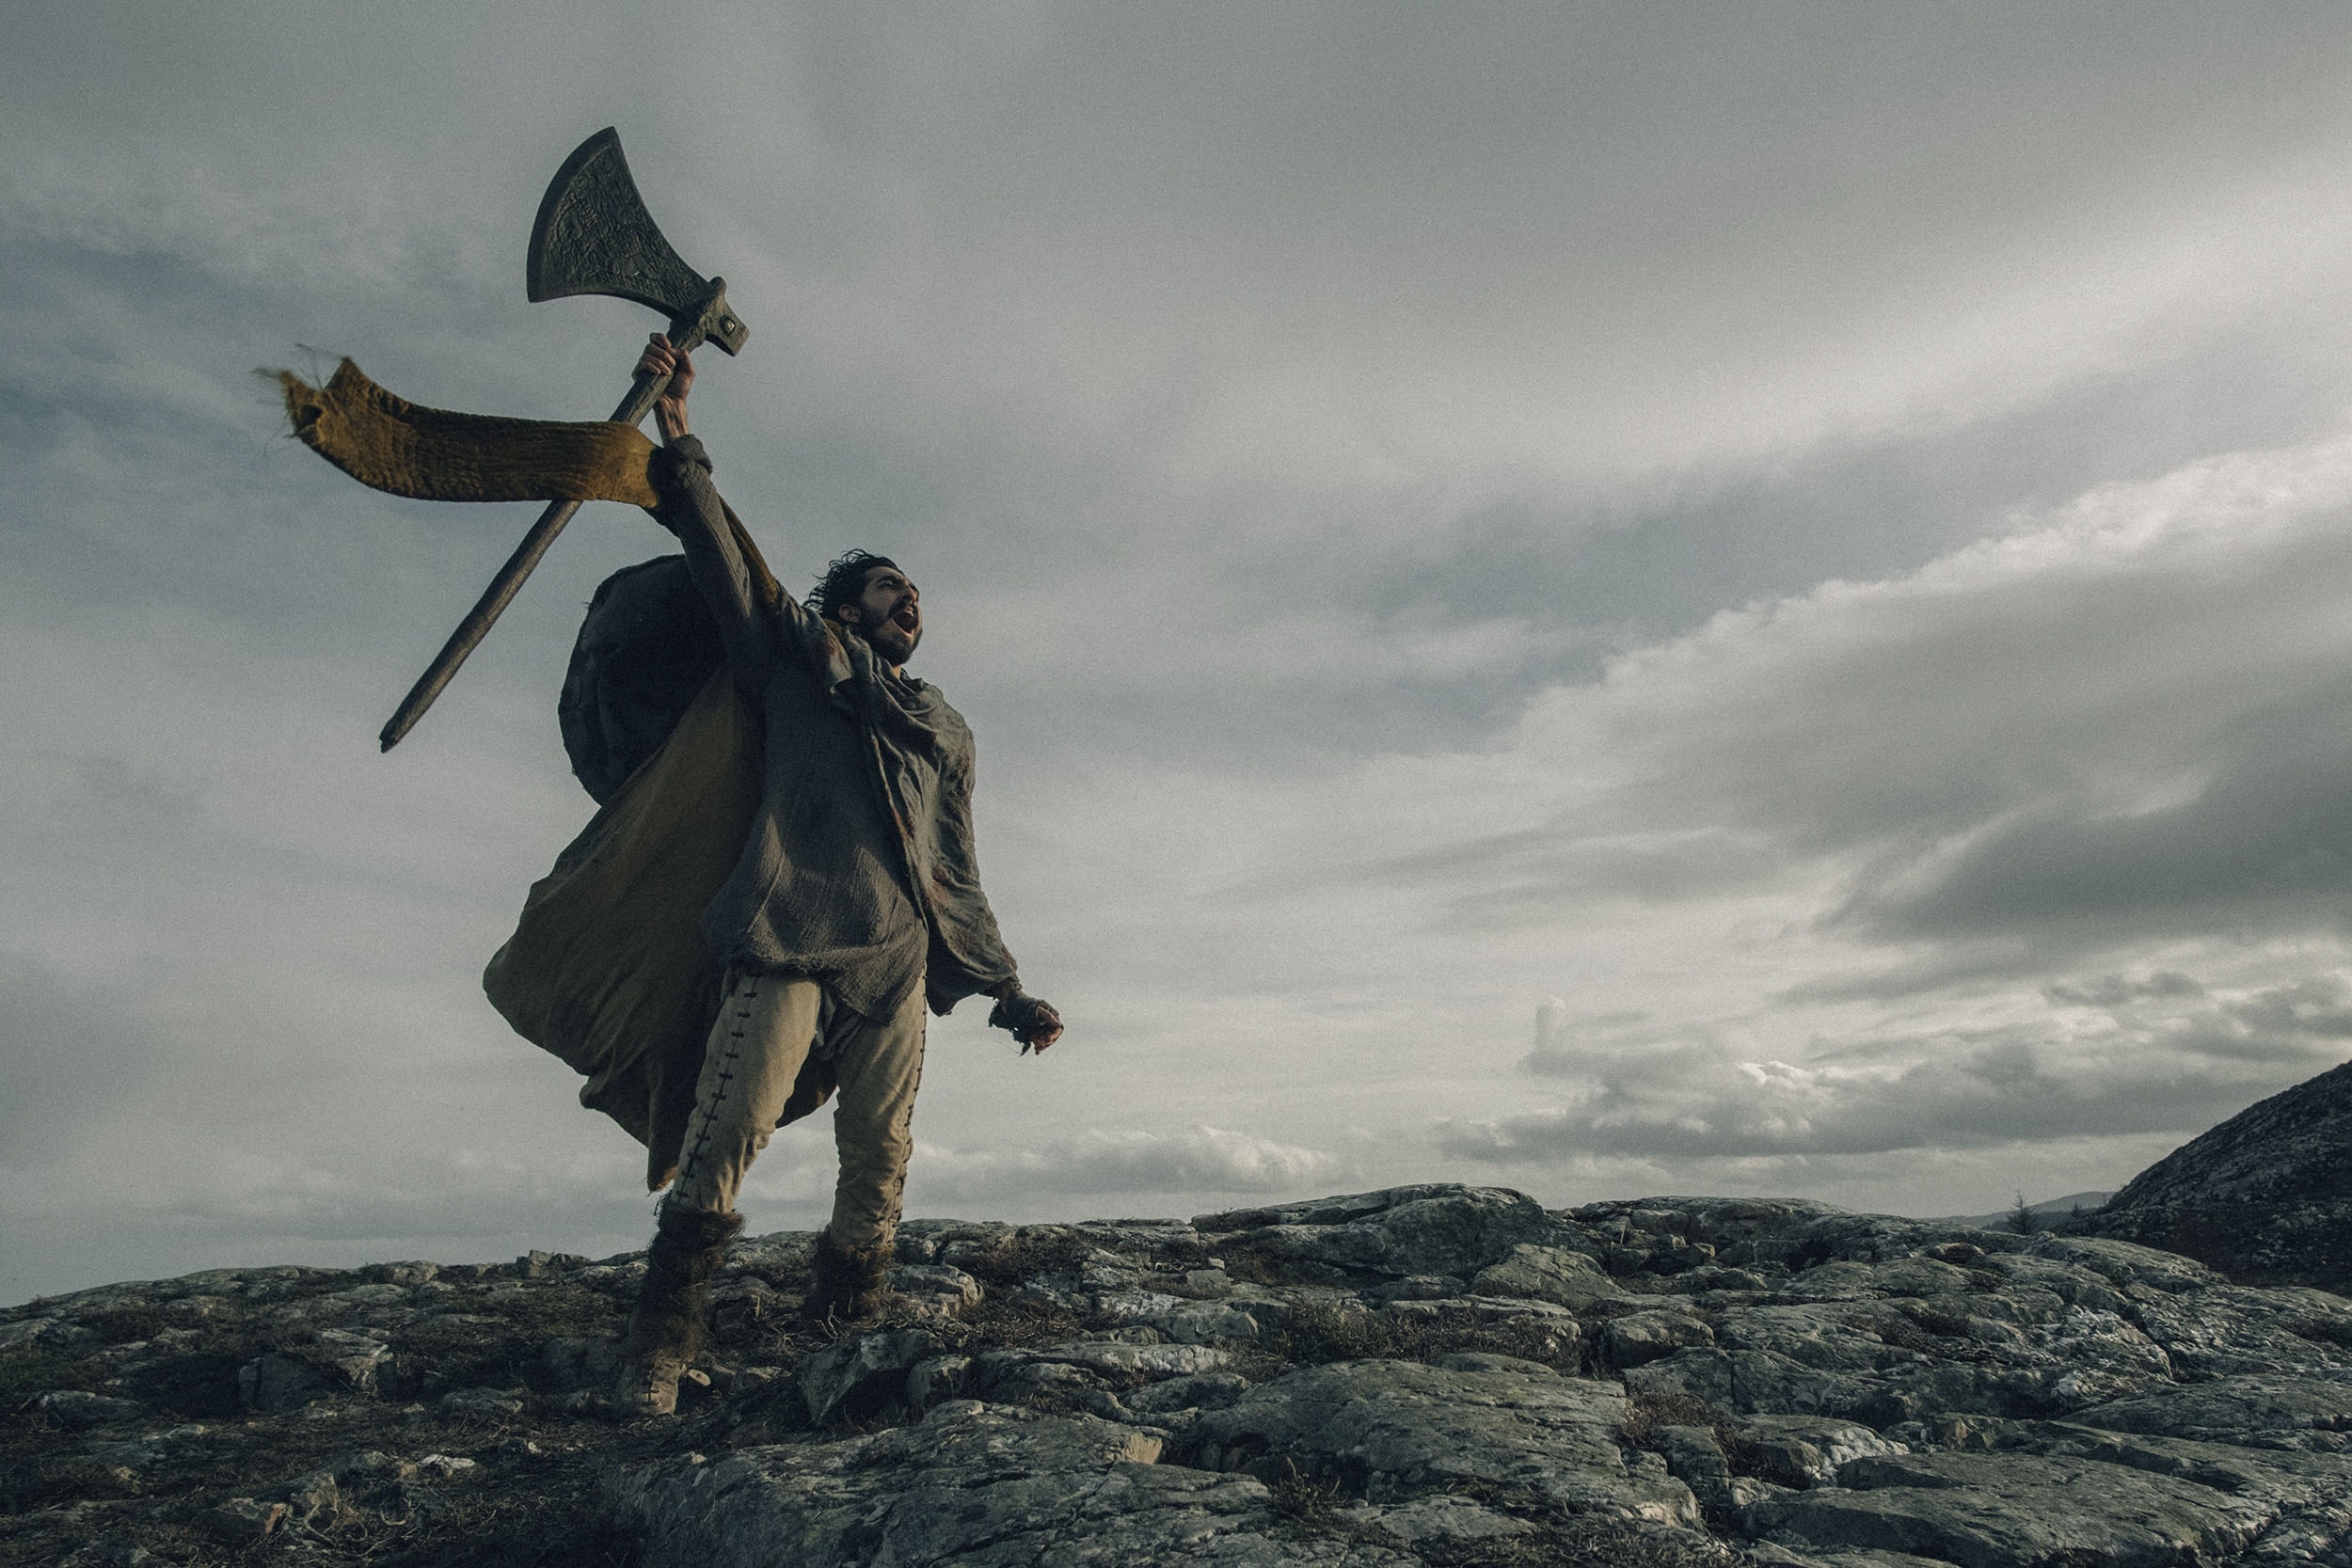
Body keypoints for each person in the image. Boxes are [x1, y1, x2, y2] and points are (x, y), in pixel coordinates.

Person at [612, 332, 1063, 1416]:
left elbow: (952, 860)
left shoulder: (941, 723)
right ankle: (655, 1353)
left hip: (896, 959)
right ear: (845, 604)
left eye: (914, 591)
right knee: (727, 1134)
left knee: (881, 1156)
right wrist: (680, 434)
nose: (907, 600)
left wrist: (1005, 988)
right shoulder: (792, 661)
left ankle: (842, 1328)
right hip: (787, 930)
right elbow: (725, 560)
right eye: (884, 587)